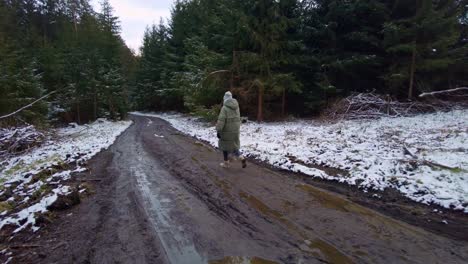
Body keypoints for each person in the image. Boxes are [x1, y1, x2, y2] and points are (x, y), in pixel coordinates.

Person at [216, 91, 247, 168]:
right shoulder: (237, 107)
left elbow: (221, 121)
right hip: (235, 130)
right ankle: (241, 157)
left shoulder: (224, 108)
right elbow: (238, 119)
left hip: (226, 131)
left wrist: (218, 130)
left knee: (225, 147)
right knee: (234, 146)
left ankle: (226, 163)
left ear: (225, 99)